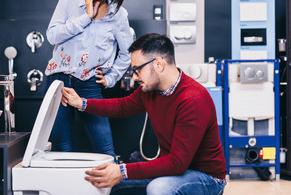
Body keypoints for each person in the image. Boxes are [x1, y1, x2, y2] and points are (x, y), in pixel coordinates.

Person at [60, 33, 227, 195]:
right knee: (105, 183)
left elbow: (177, 163)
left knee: (159, 188)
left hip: (207, 178)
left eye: (137, 69)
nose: (135, 76)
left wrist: (122, 170)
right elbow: (122, 106)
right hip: (173, 170)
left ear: (159, 64)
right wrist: (82, 103)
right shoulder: (150, 90)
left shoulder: (192, 99)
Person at [45, 0, 132, 159]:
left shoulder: (118, 14)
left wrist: (111, 78)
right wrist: (87, 17)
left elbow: (127, 52)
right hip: (58, 82)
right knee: (63, 150)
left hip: (90, 85)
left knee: (106, 151)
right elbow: (52, 35)